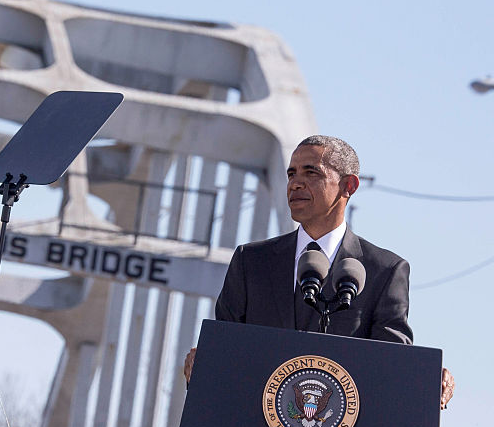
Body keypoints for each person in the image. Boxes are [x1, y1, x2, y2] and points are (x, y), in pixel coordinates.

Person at [184, 135, 455, 409]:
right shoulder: (250, 261)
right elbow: (225, 349)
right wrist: (205, 360)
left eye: (311, 172)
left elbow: (392, 365)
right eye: (291, 174)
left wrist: (424, 380)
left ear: (348, 186)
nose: (295, 183)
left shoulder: (384, 271)